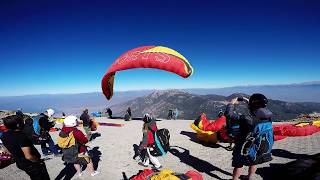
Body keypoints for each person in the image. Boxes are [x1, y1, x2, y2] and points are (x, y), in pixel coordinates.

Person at [225, 94, 273, 180]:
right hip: (256, 145)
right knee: (253, 161)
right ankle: (249, 177)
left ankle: (234, 179)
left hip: (243, 145)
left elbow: (229, 115)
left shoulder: (247, 119)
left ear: (253, 105)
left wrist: (231, 104)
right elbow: (256, 112)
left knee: (238, 164)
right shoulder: (268, 117)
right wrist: (249, 103)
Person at [1, 115, 50, 180]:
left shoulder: (4, 135)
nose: (23, 123)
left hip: (20, 162)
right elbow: (28, 156)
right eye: (22, 121)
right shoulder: (21, 136)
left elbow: (7, 150)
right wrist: (39, 161)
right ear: (18, 125)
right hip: (31, 164)